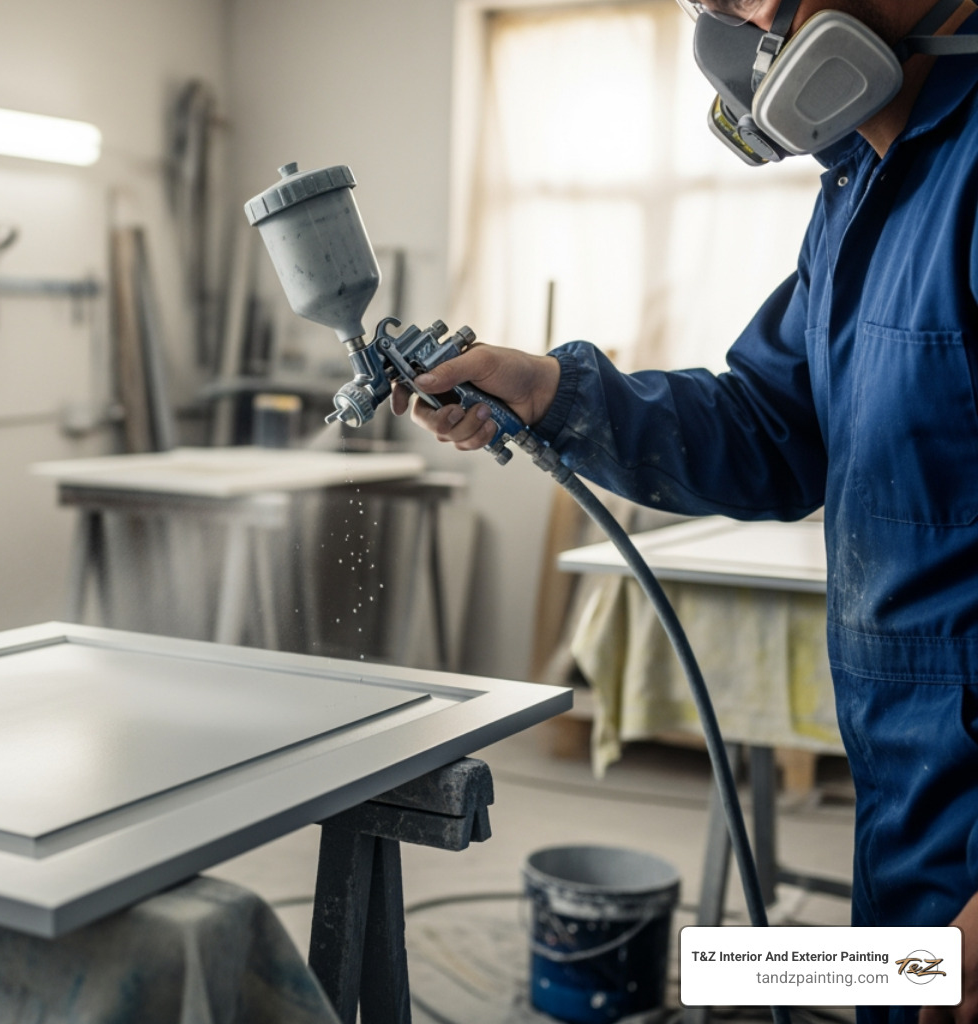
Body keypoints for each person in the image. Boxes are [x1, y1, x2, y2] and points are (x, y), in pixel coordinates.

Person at [394, 1, 978, 1021]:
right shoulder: (859, 194)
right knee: (844, 982)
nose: (732, 28)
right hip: (911, 800)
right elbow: (772, 429)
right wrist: (547, 390)